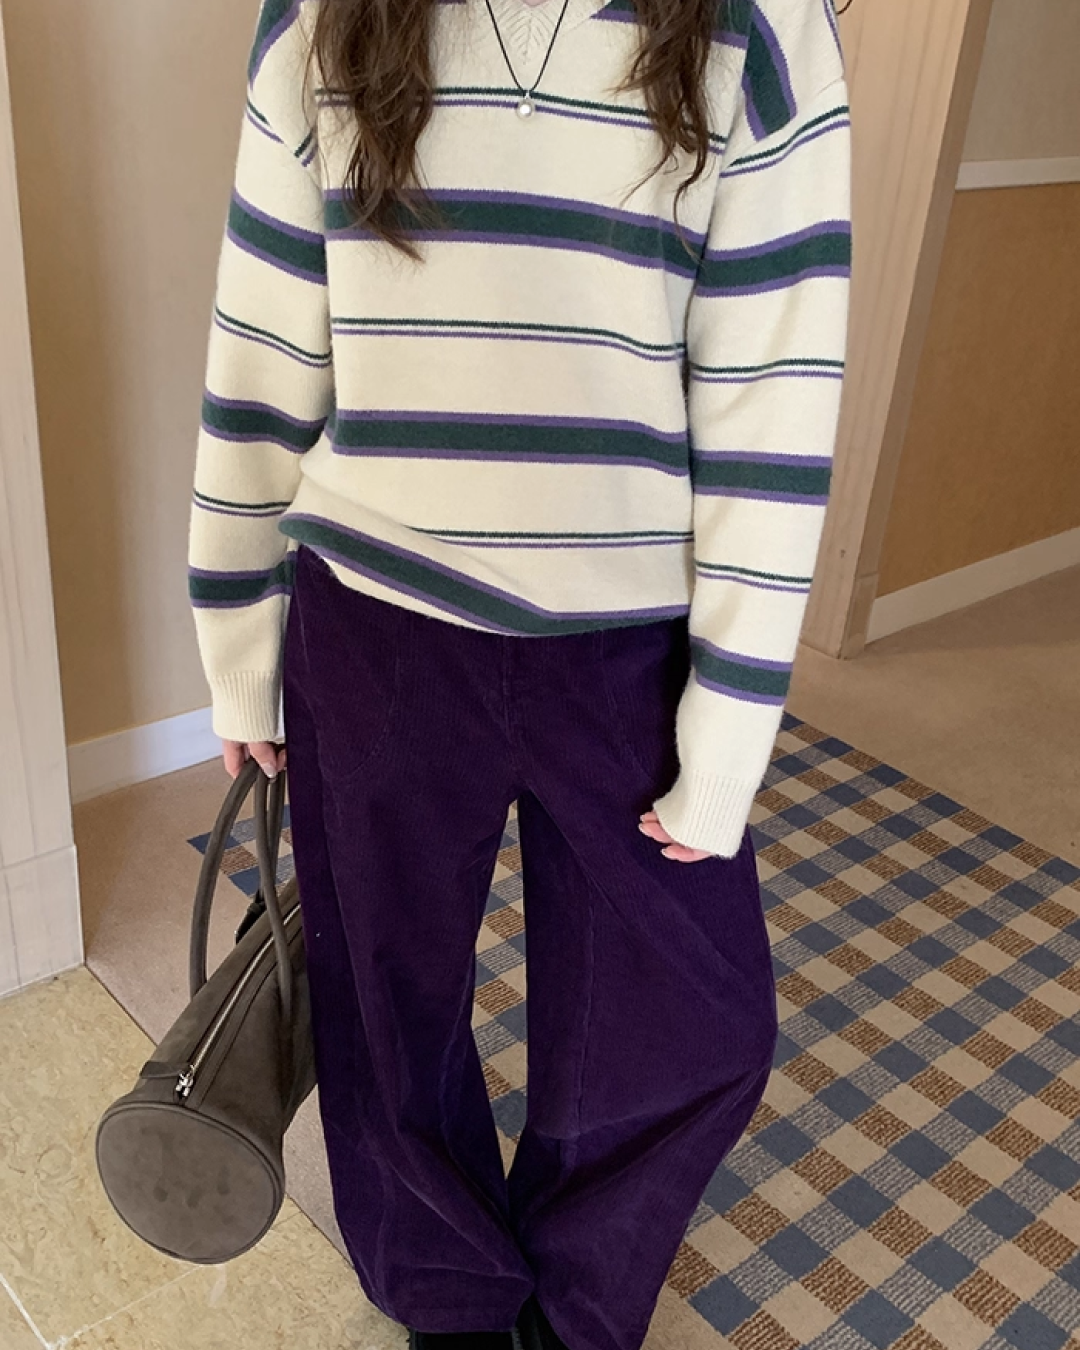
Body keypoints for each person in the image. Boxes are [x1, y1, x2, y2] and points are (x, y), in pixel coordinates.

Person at [187, 0, 852, 1345]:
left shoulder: (761, 25)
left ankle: (577, 1308)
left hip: (626, 651)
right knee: (387, 1006)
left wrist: (729, 729)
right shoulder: (320, 18)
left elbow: (772, 395)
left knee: (690, 1021)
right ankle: (448, 1300)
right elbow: (263, 349)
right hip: (374, 630)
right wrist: (242, 647)